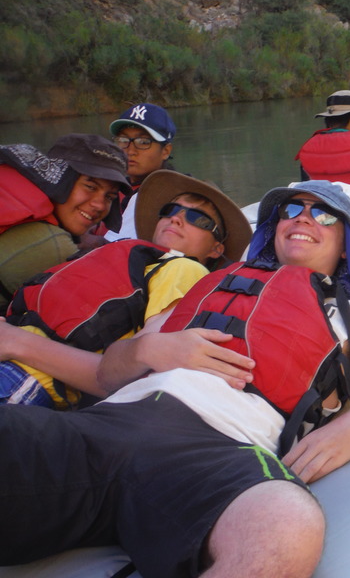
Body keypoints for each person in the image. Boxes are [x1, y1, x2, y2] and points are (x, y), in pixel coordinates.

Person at [0, 180, 350, 578]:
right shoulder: (208, 290)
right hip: (107, 426)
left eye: (324, 216)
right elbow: (106, 376)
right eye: (291, 210)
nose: (303, 218)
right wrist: (151, 348)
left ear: (346, 245)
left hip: (217, 453)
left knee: (285, 528)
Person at [1, 170, 251, 409]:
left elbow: (130, 373)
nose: (177, 218)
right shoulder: (123, 255)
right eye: (171, 210)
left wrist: (16, 341)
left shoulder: (186, 269)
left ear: (216, 249)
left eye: (199, 219)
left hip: (23, 378)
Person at [0, 135, 130, 310]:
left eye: (109, 196)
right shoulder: (50, 246)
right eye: (90, 187)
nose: (99, 205)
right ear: (59, 178)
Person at [104, 101, 179, 242]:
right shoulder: (113, 188)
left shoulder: (169, 195)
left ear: (166, 151)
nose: (130, 151)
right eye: (123, 140)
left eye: (143, 142)